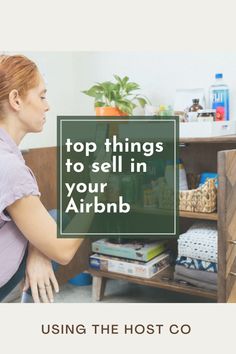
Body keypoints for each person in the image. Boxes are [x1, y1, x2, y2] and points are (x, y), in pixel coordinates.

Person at [0, 54, 87, 303]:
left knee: (52, 218)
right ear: (16, 100)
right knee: (62, 219)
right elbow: (63, 251)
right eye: (41, 96)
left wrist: (39, 252)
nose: (47, 105)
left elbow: (29, 219)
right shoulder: (9, 168)